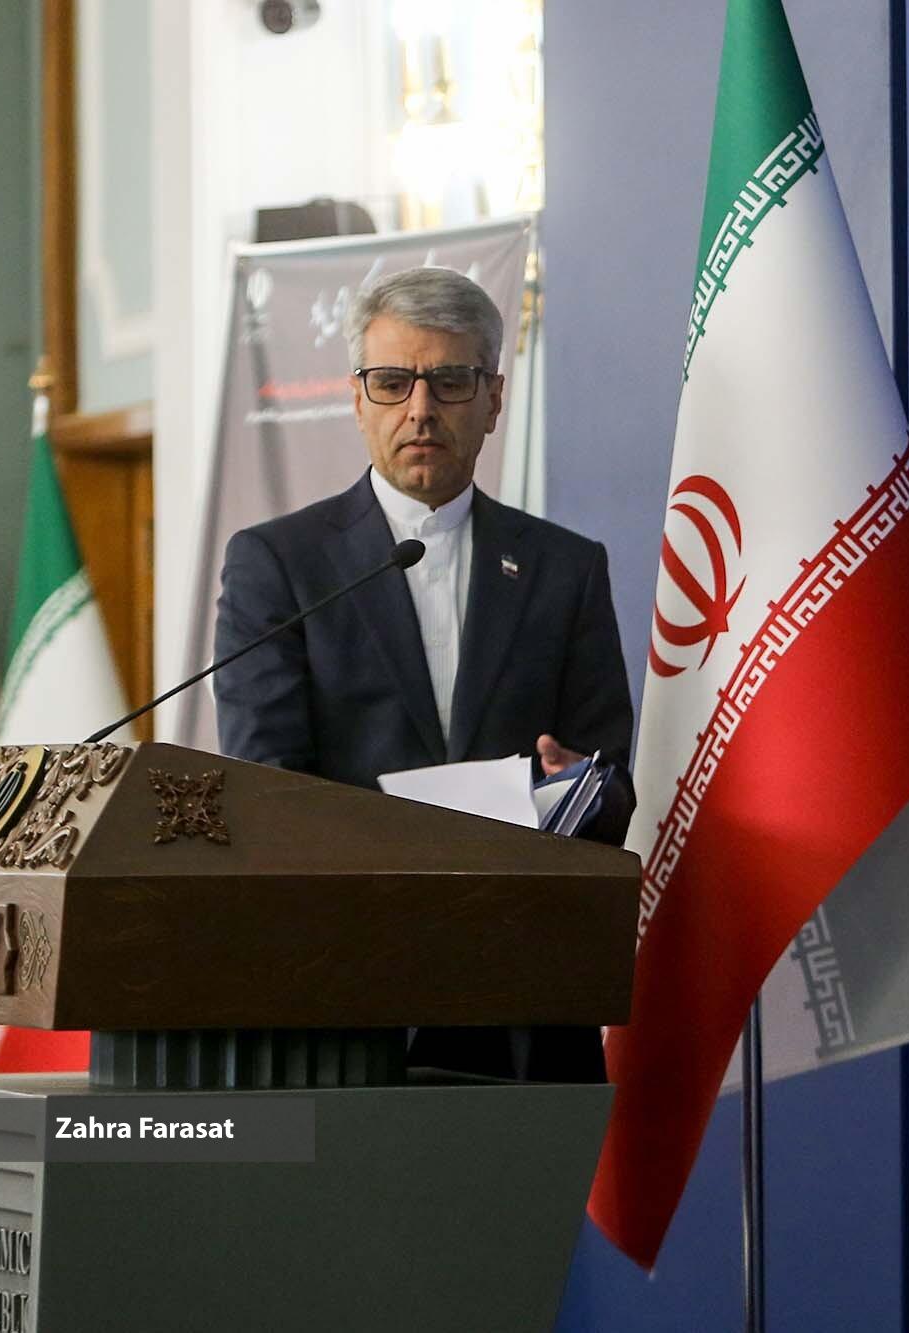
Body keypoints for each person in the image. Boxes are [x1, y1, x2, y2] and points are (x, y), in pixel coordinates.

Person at [214, 265, 633, 1081]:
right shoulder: (280, 564)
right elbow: (267, 788)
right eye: (392, 382)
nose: (420, 408)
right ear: (357, 399)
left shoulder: (565, 567)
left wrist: (577, 788)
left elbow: (611, 779)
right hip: (346, 997)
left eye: (450, 381)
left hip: (523, 1002)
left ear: (494, 399)